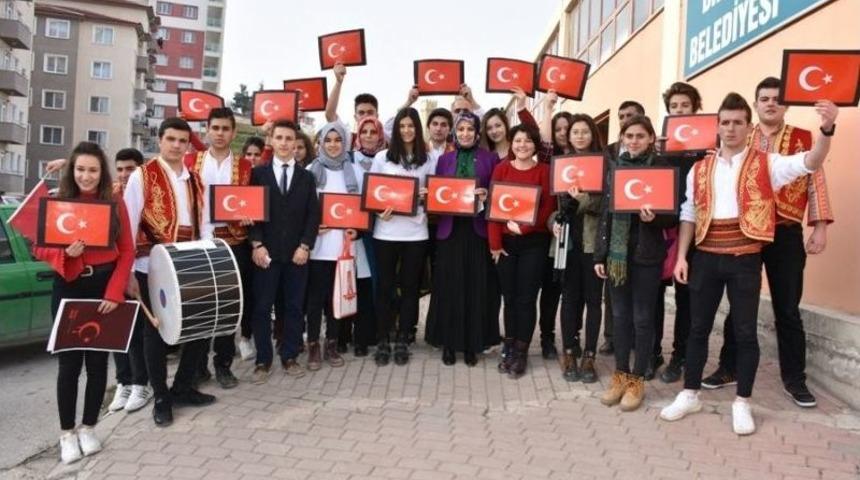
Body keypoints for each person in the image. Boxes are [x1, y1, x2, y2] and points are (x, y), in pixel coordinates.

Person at [660, 93, 837, 435]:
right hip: (707, 256)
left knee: (744, 331)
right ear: (717, 126)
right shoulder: (700, 168)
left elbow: (810, 162)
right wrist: (682, 255)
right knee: (698, 328)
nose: (730, 128)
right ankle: (689, 393)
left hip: (744, 258)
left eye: (737, 122)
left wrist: (827, 130)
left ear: (747, 125)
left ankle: (742, 402)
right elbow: (689, 213)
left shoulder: (767, 163)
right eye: (724, 122)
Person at [701, 77, 834, 408]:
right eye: (764, 99)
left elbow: (814, 177)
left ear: (785, 105)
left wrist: (819, 226)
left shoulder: (803, 137)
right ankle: (729, 367)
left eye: (776, 99)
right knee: (738, 304)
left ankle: (794, 379)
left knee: (787, 308)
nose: (770, 103)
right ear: (755, 105)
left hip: (786, 231)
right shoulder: (744, 137)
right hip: (747, 232)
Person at [33, 142, 135, 464]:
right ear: (71, 170)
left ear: (101, 172)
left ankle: (89, 427)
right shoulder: (57, 201)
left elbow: (128, 250)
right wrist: (66, 254)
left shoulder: (115, 202)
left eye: (92, 170)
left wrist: (114, 292)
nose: (86, 176)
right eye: (80, 169)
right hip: (68, 284)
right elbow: (40, 247)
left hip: (104, 288)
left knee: (96, 364)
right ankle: (67, 434)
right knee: (69, 365)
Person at [124, 117, 216, 427]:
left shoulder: (194, 178)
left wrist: (207, 255)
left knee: (200, 325)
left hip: (189, 261)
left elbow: (204, 221)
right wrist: (127, 271)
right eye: (171, 139)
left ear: (188, 144)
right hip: (151, 263)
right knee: (156, 332)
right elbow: (128, 223)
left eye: (182, 141)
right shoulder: (142, 175)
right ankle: (161, 396)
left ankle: (183, 387)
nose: (177, 145)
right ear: (160, 140)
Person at [594, 115, 678, 412]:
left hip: (647, 256)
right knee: (619, 317)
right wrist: (600, 255)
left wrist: (654, 218)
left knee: (643, 319)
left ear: (651, 138)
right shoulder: (615, 169)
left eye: (640, 136)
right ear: (622, 138)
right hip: (617, 257)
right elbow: (605, 213)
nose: (634, 141)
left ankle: (637, 380)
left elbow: (673, 215)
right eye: (629, 136)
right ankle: (619, 375)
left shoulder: (661, 168)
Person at [181, 107, 254, 389]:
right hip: (198, 242)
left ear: (233, 133)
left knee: (228, 306)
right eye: (215, 128)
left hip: (233, 242)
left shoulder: (245, 166)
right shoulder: (190, 161)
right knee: (200, 306)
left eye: (225, 129)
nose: (220, 133)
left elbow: (254, 201)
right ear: (207, 131)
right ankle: (198, 366)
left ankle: (223, 364)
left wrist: (251, 214)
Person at [248, 120, 320, 384]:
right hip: (265, 253)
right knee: (262, 308)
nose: (284, 143)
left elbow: (313, 216)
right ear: (272, 140)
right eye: (279, 137)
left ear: (295, 143)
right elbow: (252, 214)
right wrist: (256, 244)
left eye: (289, 138)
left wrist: (305, 246)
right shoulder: (258, 174)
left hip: (296, 255)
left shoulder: (307, 177)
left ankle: (290, 356)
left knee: (293, 307)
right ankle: (262, 360)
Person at [424, 112, 499, 365]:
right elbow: (438, 194)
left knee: (475, 287)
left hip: (477, 231)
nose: (466, 133)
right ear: (455, 133)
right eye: (461, 129)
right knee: (449, 287)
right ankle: (448, 342)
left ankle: (471, 344)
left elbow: (497, 194)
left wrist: (487, 194)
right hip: (449, 230)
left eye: (470, 129)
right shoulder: (444, 160)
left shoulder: (491, 158)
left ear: (478, 133)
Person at [370, 107, 436, 366]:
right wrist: (378, 212)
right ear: (396, 129)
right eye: (402, 126)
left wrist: (426, 196)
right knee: (384, 288)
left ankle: (402, 340)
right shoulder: (382, 158)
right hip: (386, 232)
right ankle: (383, 339)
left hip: (416, 232)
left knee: (410, 290)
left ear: (417, 129)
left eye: (411, 126)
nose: (406, 130)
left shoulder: (428, 159)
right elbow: (373, 193)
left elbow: (435, 195)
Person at [489, 124, 555, 378]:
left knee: (526, 298)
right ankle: (509, 342)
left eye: (528, 141)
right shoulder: (501, 169)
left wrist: (524, 229)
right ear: (512, 144)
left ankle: (521, 349)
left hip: (533, 243)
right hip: (505, 245)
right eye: (518, 141)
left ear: (535, 144)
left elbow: (548, 208)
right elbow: (493, 211)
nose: (522, 145)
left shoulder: (544, 171)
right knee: (509, 298)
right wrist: (495, 244)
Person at [305, 122, 371, 369]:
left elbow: (364, 208)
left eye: (338, 140)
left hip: (344, 249)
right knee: (315, 299)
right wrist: (312, 229)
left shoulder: (356, 171)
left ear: (346, 142)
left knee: (337, 299)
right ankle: (313, 345)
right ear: (320, 143)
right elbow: (303, 209)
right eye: (328, 140)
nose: (333, 145)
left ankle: (331, 344)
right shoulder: (311, 170)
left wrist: (358, 229)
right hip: (318, 248)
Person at [654, 81, 705, 383]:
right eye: (674, 107)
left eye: (685, 106)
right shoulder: (663, 149)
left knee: (688, 298)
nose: (680, 111)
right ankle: (652, 353)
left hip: (699, 232)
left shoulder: (710, 149)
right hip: (665, 232)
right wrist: (657, 155)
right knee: (657, 294)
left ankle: (681, 356)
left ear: (695, 108)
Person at [551, 113, 604, 383]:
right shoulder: (560, 165)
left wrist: (582, 199)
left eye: (585, 131)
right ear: (568, 136)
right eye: (575, 132)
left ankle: (590, 356)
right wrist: (553, 224)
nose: (580, 136)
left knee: (594, 301)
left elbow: (607, 204)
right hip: (567, 244)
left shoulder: (605, 164)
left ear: (593, 134)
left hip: (593, 244)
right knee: (569, 299)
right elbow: (551, 209)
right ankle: (569, 351)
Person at [106, 147, 153, 414]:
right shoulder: (109, 196)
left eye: (130, 169)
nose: (124, 174)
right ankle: (123, 382)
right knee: (117, 330)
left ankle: (140, 383)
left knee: (137, 331)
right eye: (120, 169)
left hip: (140, 269)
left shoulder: (148, 195)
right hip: (112, 272)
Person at [599, 99, 646, 356]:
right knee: (613, 291)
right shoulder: (609, 151)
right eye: (621, 116)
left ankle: (642, 347)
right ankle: (612, 338)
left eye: (631, 115)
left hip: (642, 240)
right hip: (615, 234)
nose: (625, 118)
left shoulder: (654, 160)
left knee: (642, 303)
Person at [537, 91, 575, 360]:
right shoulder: (549, 159)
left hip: (580, 234)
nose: (562, 133)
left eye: (567, 128)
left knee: (571, 292)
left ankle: (572, 339)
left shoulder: (585, 159)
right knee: (550, 289)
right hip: (552, 234)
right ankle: (547, 338)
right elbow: (545, 142)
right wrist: (549, 108)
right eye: (558, 129)